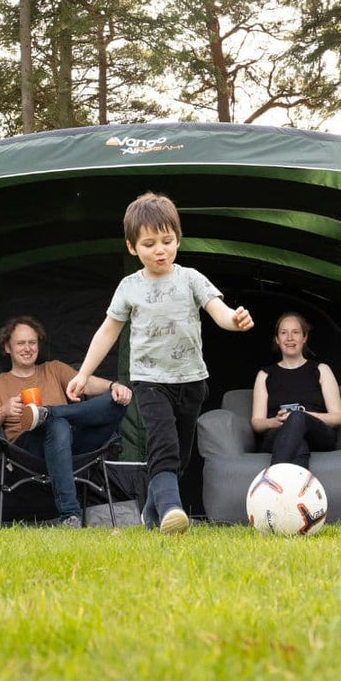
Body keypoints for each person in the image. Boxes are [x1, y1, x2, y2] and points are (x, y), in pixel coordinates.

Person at [67, 192, 254, 534]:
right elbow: (107, 332)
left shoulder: (191, 278)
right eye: (149, 243)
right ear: (132, 248)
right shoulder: (129, 287)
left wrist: (235, 320)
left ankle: (152, 512)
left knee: (178, 456)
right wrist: (83, 374)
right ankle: (171, 510)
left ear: (178, 240)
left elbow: (219, 312)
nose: (160, 250)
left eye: (167, 241)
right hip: (149, 381)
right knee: (163, 445)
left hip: (192, 380)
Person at [0, 316, 132, 528]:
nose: (28, 348)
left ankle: (49, 412)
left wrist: (114, 386)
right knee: (56, 425)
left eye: (32, 342)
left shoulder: (54, 368)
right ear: (7, 347)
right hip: (27, 452)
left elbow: (85, 383)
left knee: (118, 403)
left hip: (73, 445)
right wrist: (3, 411)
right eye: (21, 343)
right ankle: (70, 515)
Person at [251, 312, 341, 470]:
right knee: (298, 443)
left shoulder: (321, 370)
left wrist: (304, 416)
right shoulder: (264, 375)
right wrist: (273, 421)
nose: (289, 338)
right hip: (277, 433)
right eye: (283, 333)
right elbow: (256, 423)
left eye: (295, 332)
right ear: (277, 339)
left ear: (304, 337)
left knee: (297, 418)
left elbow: (338, 418)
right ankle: (297, 492)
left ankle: (273, 478)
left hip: (318, 435)